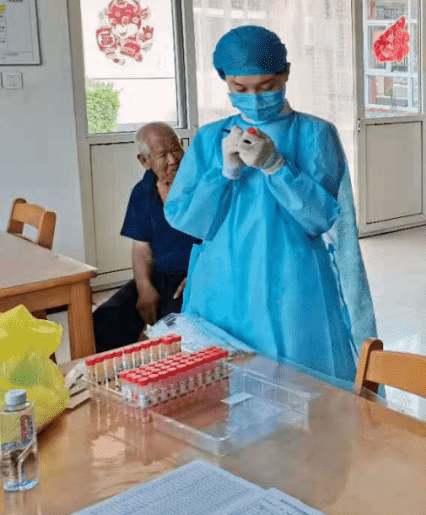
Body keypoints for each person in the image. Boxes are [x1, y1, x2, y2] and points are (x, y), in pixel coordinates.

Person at [165, 25, 376, 384]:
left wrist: (277, 168)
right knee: (226, 388)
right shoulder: (208, 139)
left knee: (300, 384)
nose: (255, 97)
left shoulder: (314, 134)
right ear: (224, 80)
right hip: (223, 279)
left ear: (286, 74)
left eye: (266, 87)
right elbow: (187, 219)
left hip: (292, 278)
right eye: (240, 89)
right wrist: (224, 172)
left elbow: (320, 218)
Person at [92, 123, 197, 352]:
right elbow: (141, 248)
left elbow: (221, 239)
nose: (173, 159)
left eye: (176, 149)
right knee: (103, 321)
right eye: (162, 155)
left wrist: (199, 273)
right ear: (145, 161)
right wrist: (144, 287)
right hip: (160, 276)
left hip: (195, 276)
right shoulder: (142, 191)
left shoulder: (200, 184)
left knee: (172, 333)